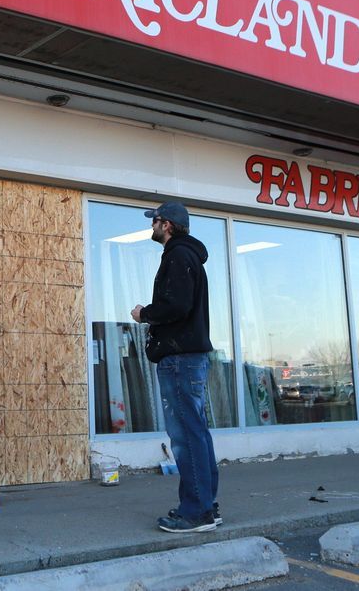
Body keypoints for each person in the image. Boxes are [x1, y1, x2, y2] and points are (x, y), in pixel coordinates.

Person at [130, 202, 219, 534]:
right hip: (188, 358)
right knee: (196, 433)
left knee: (185, 436)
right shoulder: (188, 256)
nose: (151, 226)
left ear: (166, 224)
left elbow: (177, 306)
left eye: (154, 222)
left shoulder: (178, 256)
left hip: (180, 359)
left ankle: (195, 511)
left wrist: (145, 313)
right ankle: (207, 507)